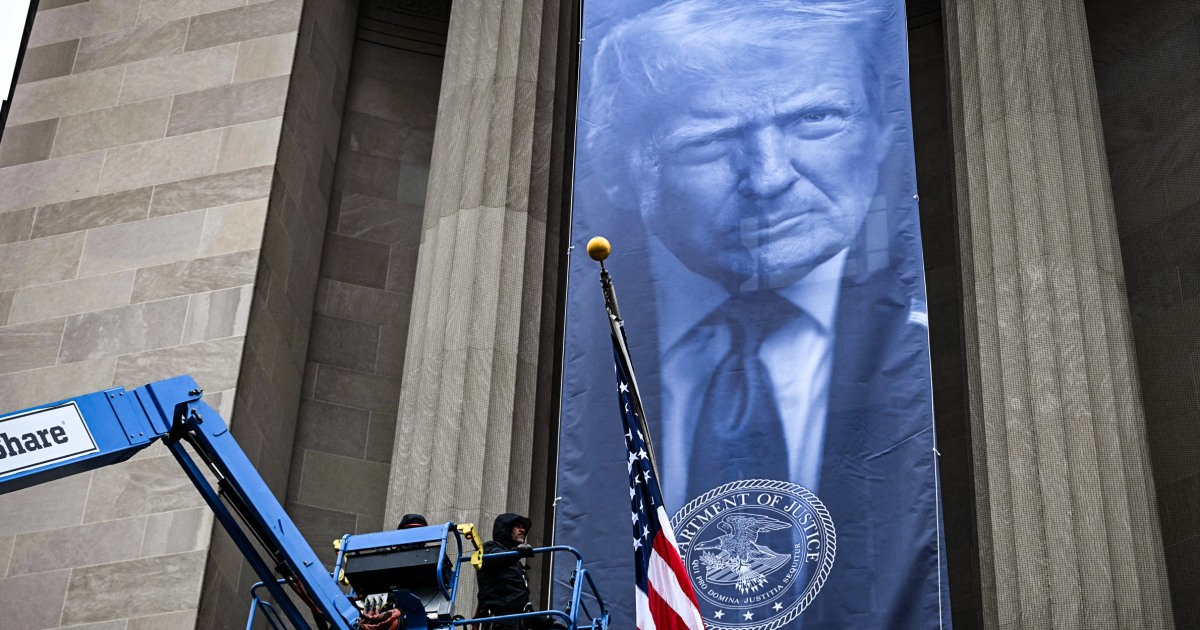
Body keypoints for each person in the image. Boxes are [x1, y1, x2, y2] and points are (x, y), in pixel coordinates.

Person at [576, 0, 944, 627]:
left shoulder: (914, 344)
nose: (769, 178)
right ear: (623, 170)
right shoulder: (582, 357)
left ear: (884, 132)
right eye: (709, 140)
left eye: (818, 118)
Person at [475, 513, 563, 630]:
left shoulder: (517, 565)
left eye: (523, 528)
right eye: (517, 526)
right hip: (499, 623)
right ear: (504, 529)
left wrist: (549, 623)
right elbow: (497, 558)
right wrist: (516, 552)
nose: (522, 530)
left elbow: (522, 607)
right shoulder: (488, 548)